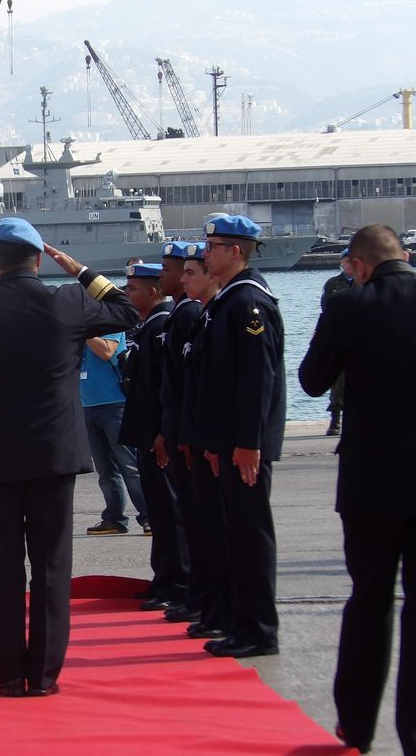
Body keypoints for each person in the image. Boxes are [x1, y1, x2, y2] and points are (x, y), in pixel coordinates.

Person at [0, 217, 138, 697]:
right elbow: (127, 311)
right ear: (40, 260)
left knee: (0, 567)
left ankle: (6, 672)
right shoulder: (68, 302)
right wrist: (80, 269)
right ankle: (43, 677)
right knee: (50, 566)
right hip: (55, 455)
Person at [299, 223, 416, 756]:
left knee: (369, 601)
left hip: (372, 479)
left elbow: (311, 380)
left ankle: (356, 725)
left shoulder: (348, 306)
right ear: (405, 255)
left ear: (355, 264)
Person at [195, 214, 285, 659]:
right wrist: (216, 441)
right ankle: (242, 622)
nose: (205, 253)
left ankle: (260, 628)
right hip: (230, 441)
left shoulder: (248, 302)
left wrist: (248, 441)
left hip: (244, 445)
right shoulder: (227, 301)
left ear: (236, 252)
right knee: (236, 534)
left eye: (212, 247)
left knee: (250, 535)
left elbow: (257, 379)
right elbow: (218, 384)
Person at [118, 262, 188, 612]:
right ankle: (163, 578)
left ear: (153, 291)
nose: (127, 295)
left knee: (169, 510)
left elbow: (168, 388)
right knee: (158, 511)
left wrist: (163, 432)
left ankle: (177, 583)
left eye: (132, 289)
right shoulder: (146, 326)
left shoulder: (162, 326)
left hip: (158, 436)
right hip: (146, 433)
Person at [177, 242, 230, 642]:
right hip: (196, 437)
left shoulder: (233, 310)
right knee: (201, 527)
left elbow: (245, 383)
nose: (181, 279)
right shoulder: (205, 316)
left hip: (223, 444)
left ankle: (234, 615)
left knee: (228, 533)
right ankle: (208, 603)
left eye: (189, 271)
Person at [157, 242, 203, 624]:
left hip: (185, 432)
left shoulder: (188, 314)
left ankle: (189, 587)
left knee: (186, 515)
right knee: (175, 510)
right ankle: (176, 583)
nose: (169, 276)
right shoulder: (178, 314)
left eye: (182, 270)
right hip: (171, 428)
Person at [80, 331, 150, 535]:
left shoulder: (107, 324)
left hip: (115, 405)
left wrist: (84, 330)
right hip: (88, 404)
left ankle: (150, 516)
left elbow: (107, 351)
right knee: (105, 469)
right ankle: (114, 518)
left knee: (130, 466)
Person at [320, 249, 354, 435]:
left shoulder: (364, 282)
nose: (350, 265)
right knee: (338, 381)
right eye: (347, 261)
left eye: (353, 261)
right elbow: (326, 310)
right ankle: (335, 420)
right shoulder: (333, 284)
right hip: (339, 338)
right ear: (342, 263)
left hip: (359, 339)